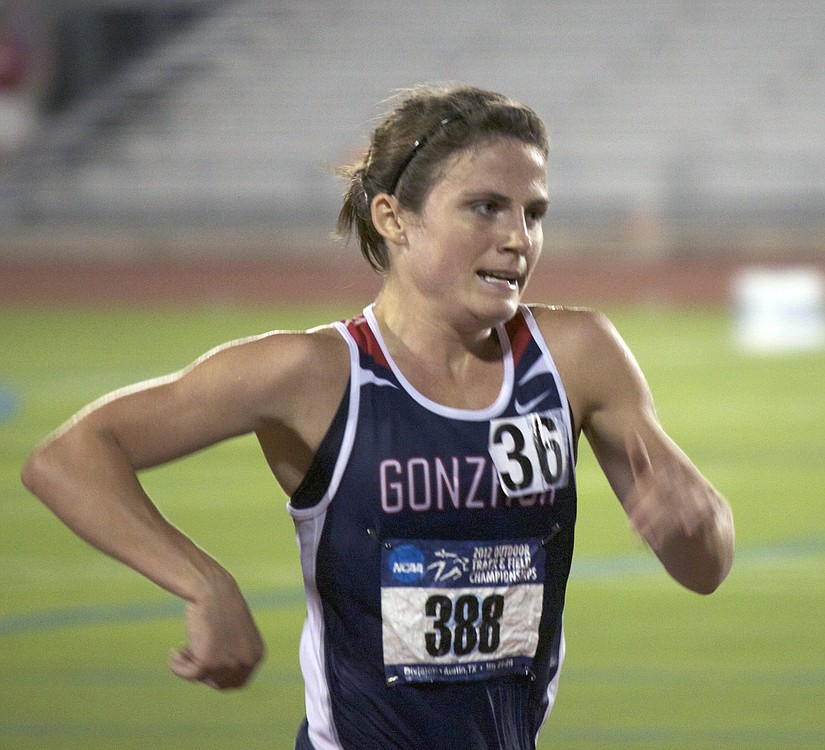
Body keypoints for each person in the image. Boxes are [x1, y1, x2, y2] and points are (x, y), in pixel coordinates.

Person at [21, 84, 734, 749]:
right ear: (393, 217)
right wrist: (204, 581)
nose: (517, 238)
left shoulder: (577, 356)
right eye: (485, 207)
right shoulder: (313, 375)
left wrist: (697, 525)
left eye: (533, 212)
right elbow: (69, 457)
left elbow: (704, 568)